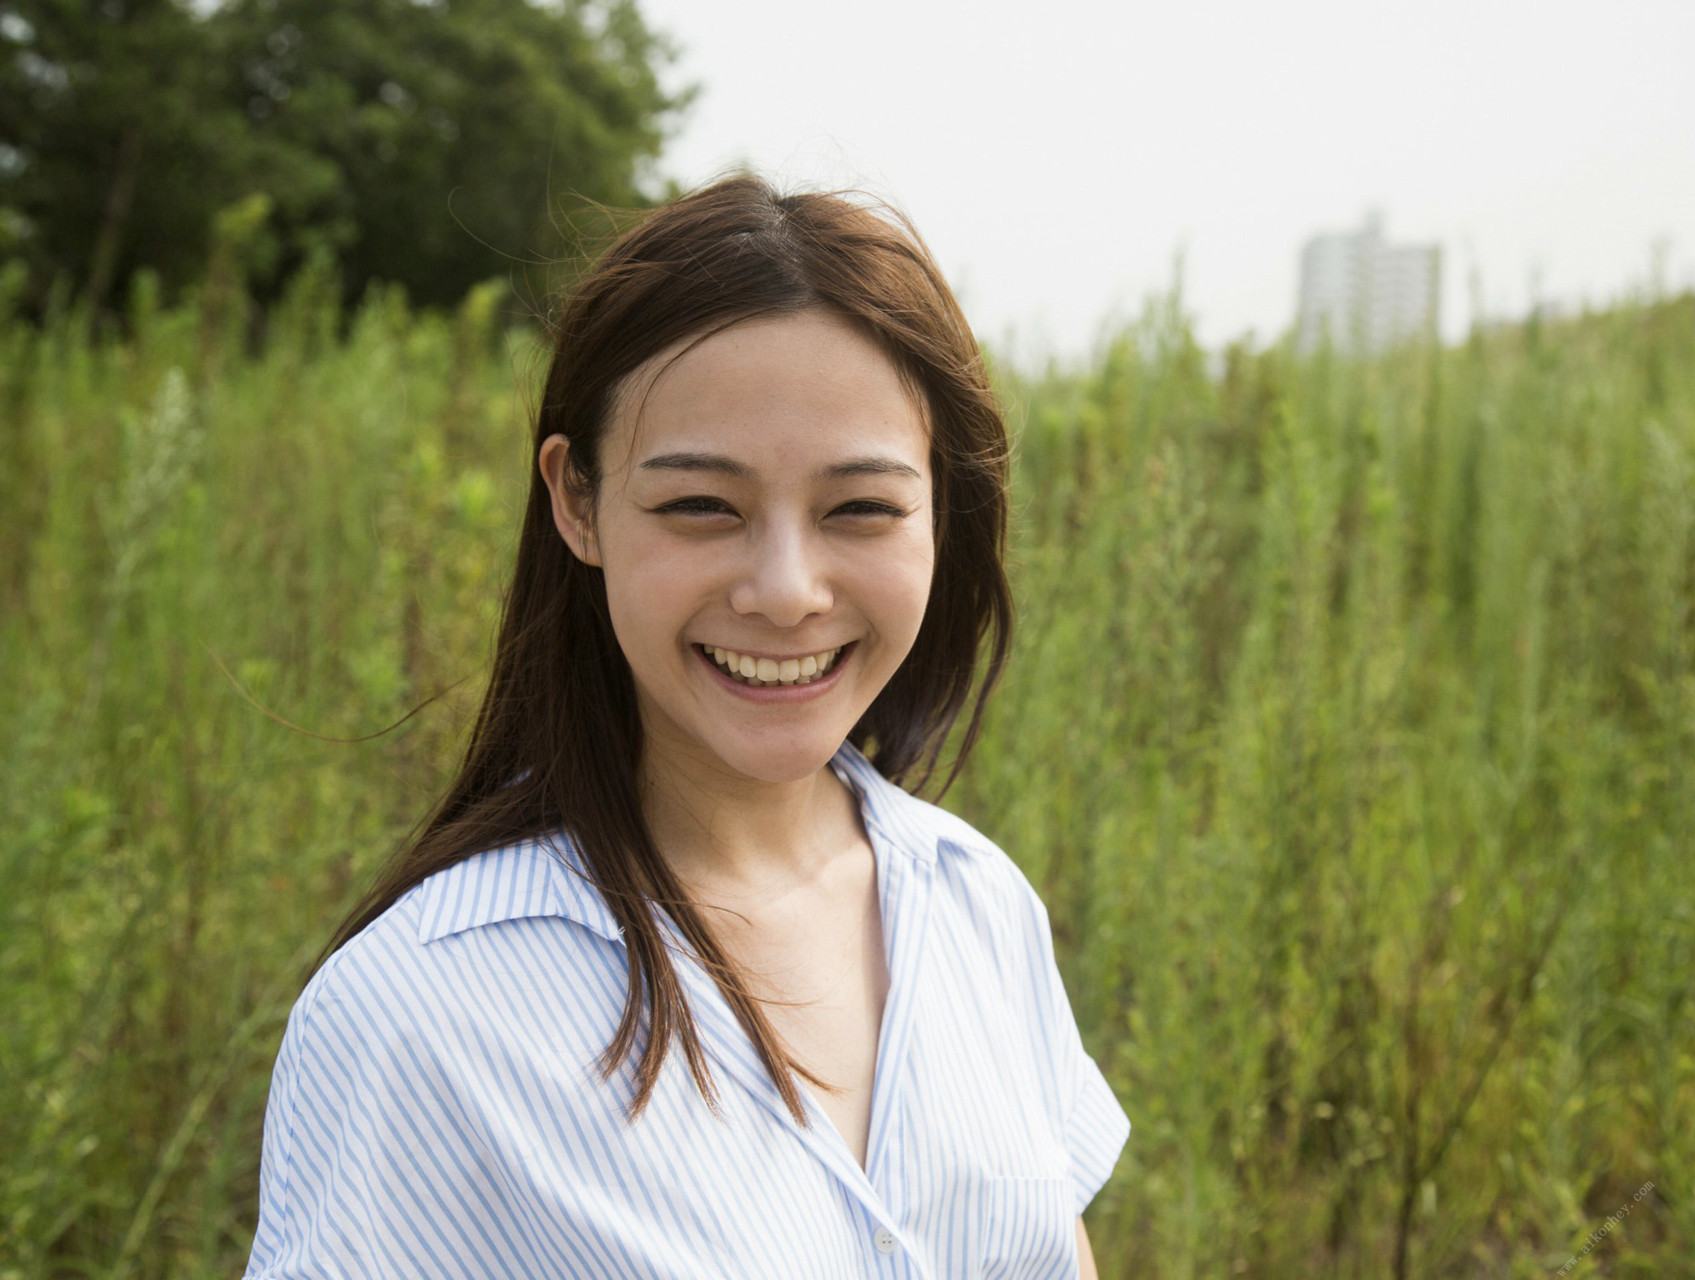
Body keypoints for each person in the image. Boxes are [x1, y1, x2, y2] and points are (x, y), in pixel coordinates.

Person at [243, 173, 1129, 1279]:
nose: (786, 589)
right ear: (577, 501)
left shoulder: (979, 904)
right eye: (701, 505)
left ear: (941, 512)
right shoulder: (420, 1009)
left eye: (860, 506)